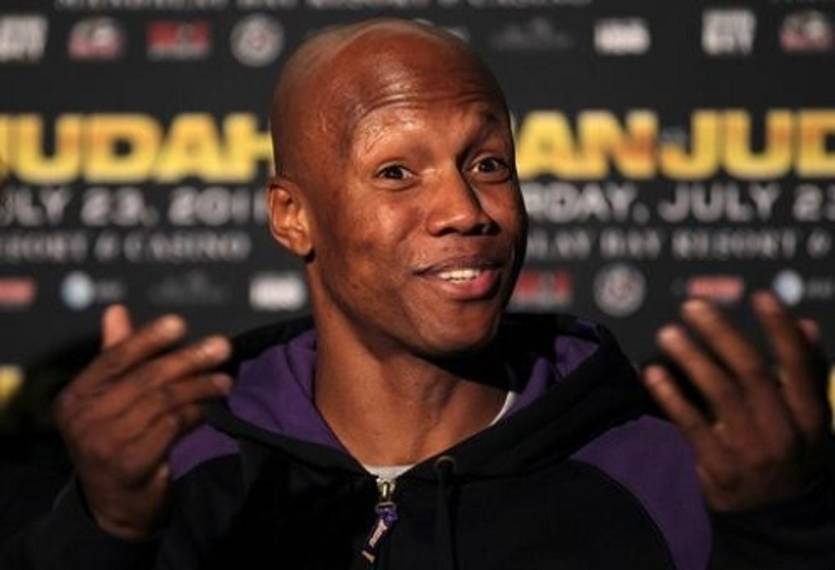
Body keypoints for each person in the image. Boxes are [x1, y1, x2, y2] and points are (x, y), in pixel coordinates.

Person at [2, 18, 833, 569]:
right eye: (397, 173)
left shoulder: (664, 473)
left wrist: (777, 532)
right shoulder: (186, 475)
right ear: (292, 216)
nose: (466, 211)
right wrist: (105, 533)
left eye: (488, 163)